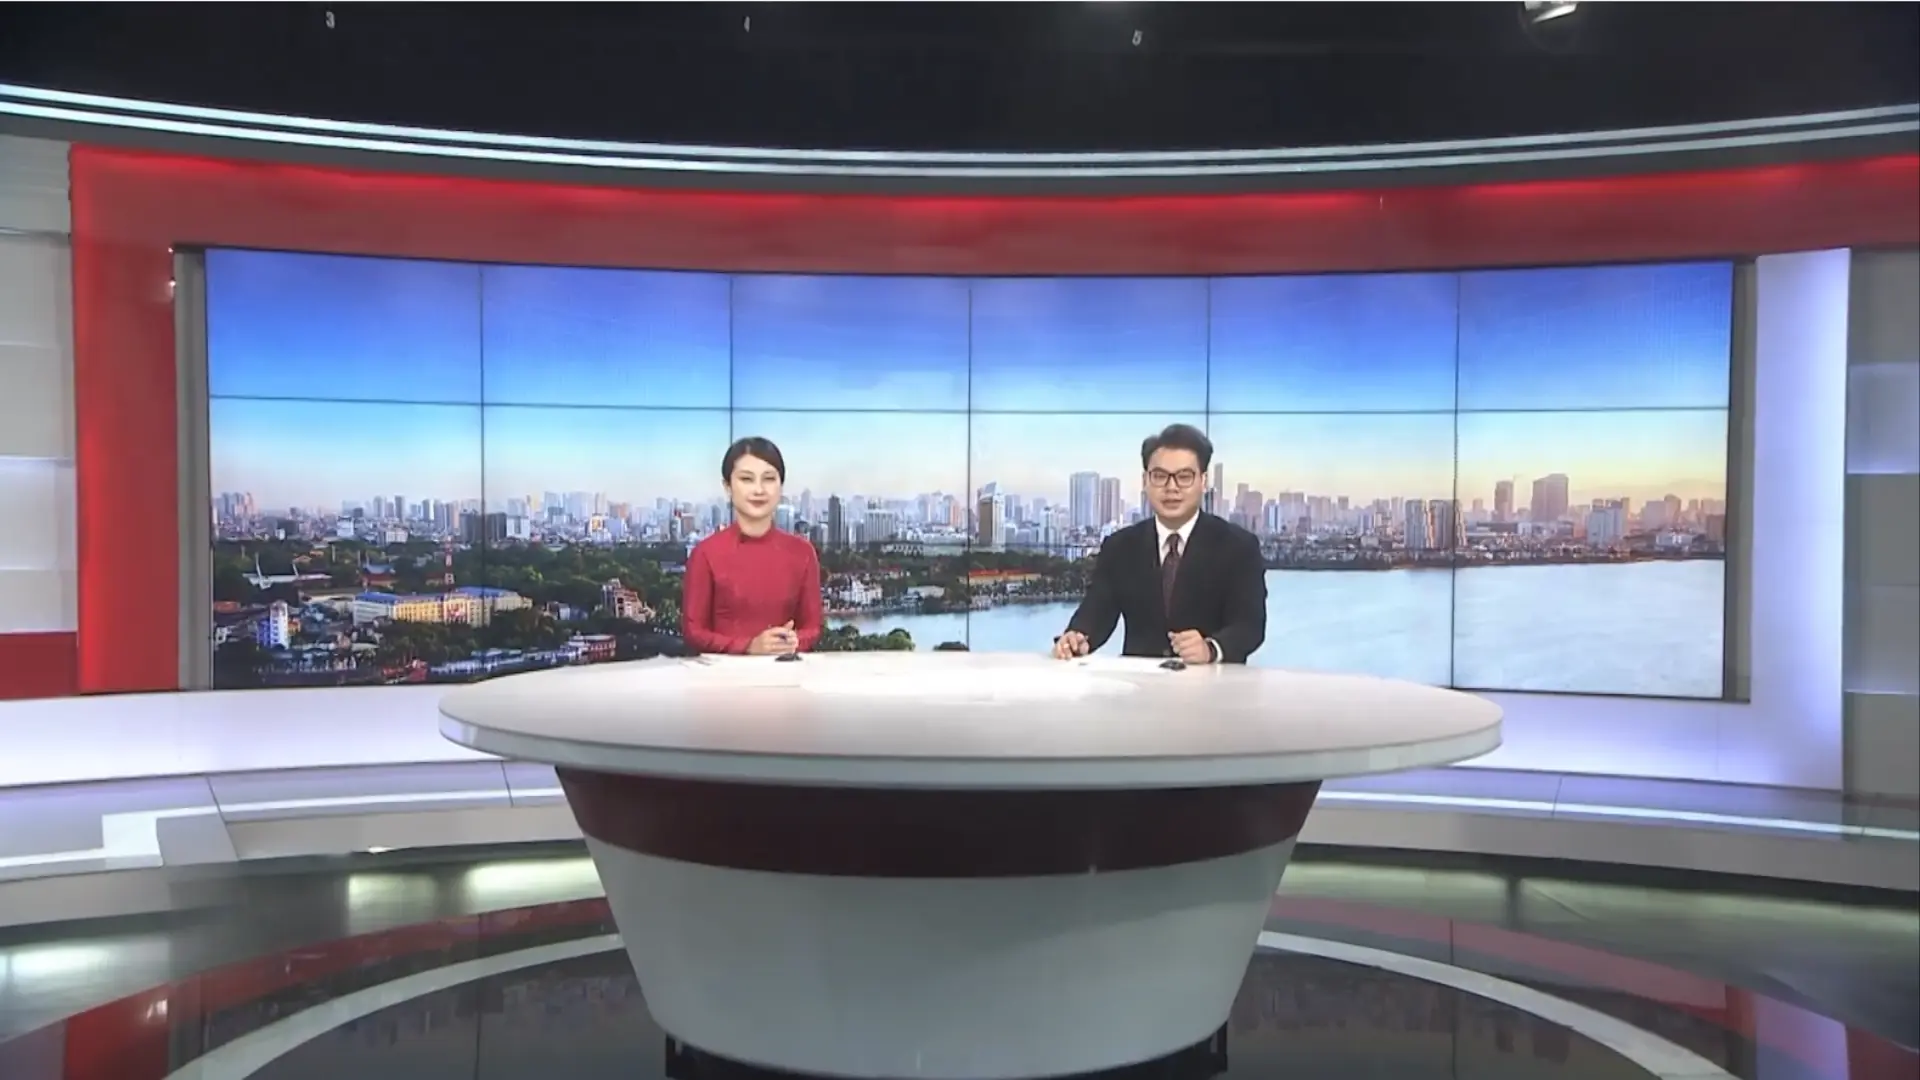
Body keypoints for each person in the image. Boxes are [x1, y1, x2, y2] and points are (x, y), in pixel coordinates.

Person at [1052, 424, 1267, 665]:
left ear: (1203, 481)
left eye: (1184, 477)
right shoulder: (1120, 547)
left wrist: (1211, 648)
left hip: (1213, 682)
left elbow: (1250, 625)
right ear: (1145, 481)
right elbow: (1096, 612)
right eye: (1160, 476)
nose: (1171, 487)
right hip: (1140, 683)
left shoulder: (1239, 547)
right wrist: (1078, 637)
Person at [682, 437, 825, 655]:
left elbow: (813, 627)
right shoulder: (705, 554)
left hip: (786, 671)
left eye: (769, 479)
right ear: (728, 487)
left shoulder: (802, 552)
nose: (759, 490)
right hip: (722, 673)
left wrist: (793, 641)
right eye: (746, 479)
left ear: (780, 486)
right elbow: (694, 631)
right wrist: (749, 647)